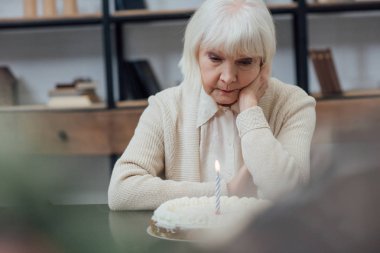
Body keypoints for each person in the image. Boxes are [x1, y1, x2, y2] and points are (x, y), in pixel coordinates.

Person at [108, 0, 316, 210]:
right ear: (195, 53)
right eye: (215, 58)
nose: (228, 77)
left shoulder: (293, 104)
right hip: (186, 242)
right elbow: (121, 191)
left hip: (265, 242)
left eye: (245, 62)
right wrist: (225, 191)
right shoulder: (165, 107)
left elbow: (291, 194)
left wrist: (250, 111)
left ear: (264, 64)